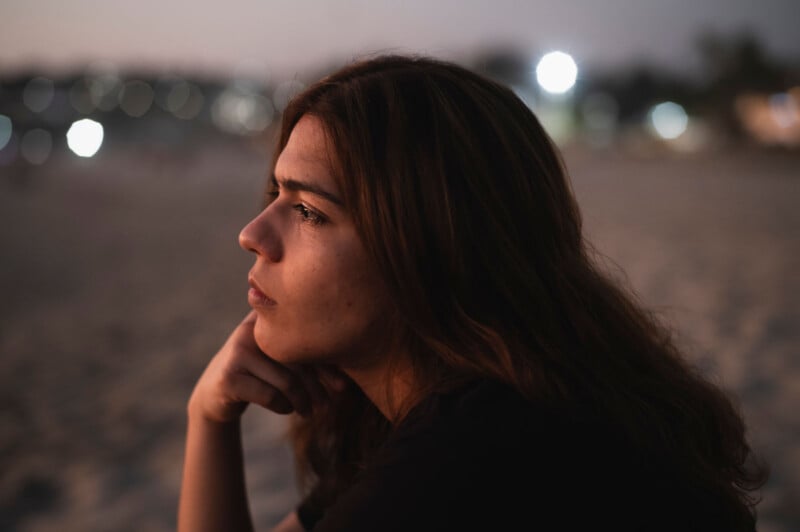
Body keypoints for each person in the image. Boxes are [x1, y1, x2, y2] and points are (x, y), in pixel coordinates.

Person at [178, 54, 767, 531]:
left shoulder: (466, 464)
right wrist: (209, 415)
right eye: (275, 195)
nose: (252, 234)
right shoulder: (491, 402)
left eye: (308, 210)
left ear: (429, 244)